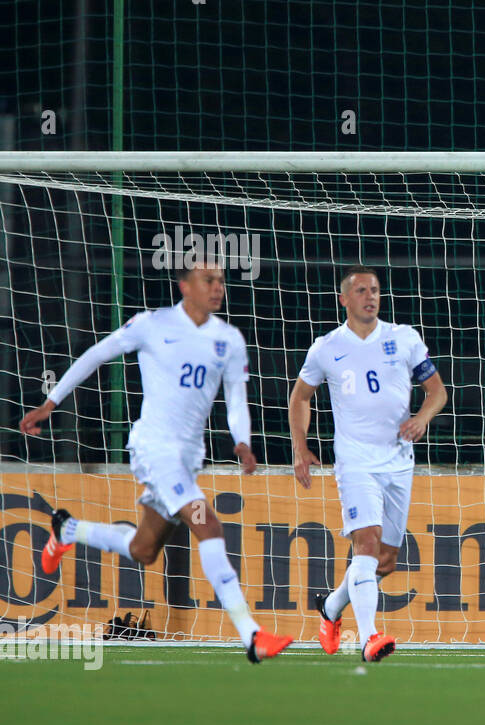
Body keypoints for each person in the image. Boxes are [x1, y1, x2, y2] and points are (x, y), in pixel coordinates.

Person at [20, 262, 293, 663]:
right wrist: (50, 402)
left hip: (186, 460)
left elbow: (236, 399)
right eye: (208, 281)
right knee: (208, 523)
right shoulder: (153, 324)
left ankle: (68, 530)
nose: (217, 287)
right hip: (153, 449)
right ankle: (252, 635)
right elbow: (96, 355)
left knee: (144, 549)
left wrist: (243, 443)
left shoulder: (228, 339)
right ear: (185, 286)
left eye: (220, 281)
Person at [289, 265, 447, 663]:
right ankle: (369, 638)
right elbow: (301, 397)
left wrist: (422, 419)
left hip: (398, 461)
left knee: (387, 560)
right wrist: (300, 447)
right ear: (344, 299)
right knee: (368, 543)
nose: (370, 296)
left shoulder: (403, 338)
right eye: (360, 290)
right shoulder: (326, 347)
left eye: (374, 290)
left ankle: (330, 609)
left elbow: (437, 391)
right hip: (356, 461)